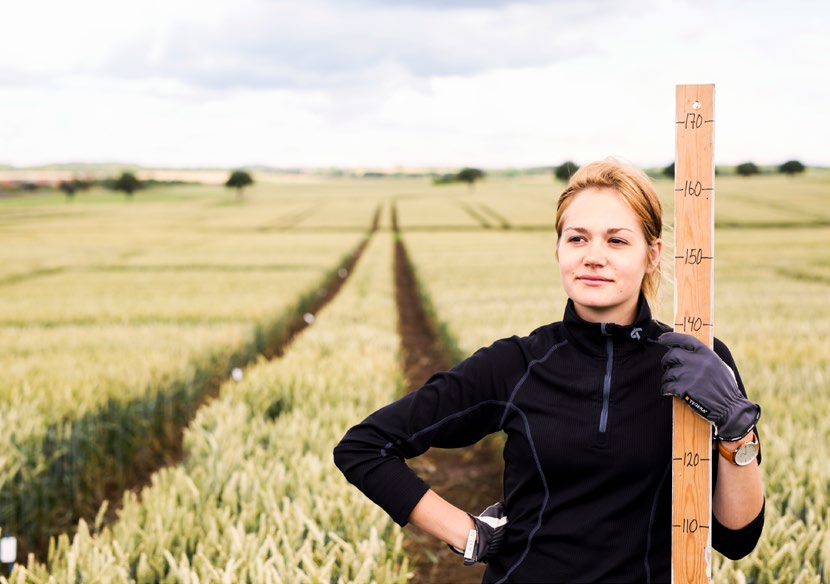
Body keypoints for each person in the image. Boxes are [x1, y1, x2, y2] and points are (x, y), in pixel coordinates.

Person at [333, 159, 764, 583]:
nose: (593, 257)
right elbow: (365, 446)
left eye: (617, 241)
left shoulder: (699, 362)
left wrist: (736, 431)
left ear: (652, 255)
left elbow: (737, 538)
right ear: (558, 249)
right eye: (577, 239)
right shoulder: (516, 364)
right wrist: (467, 535)